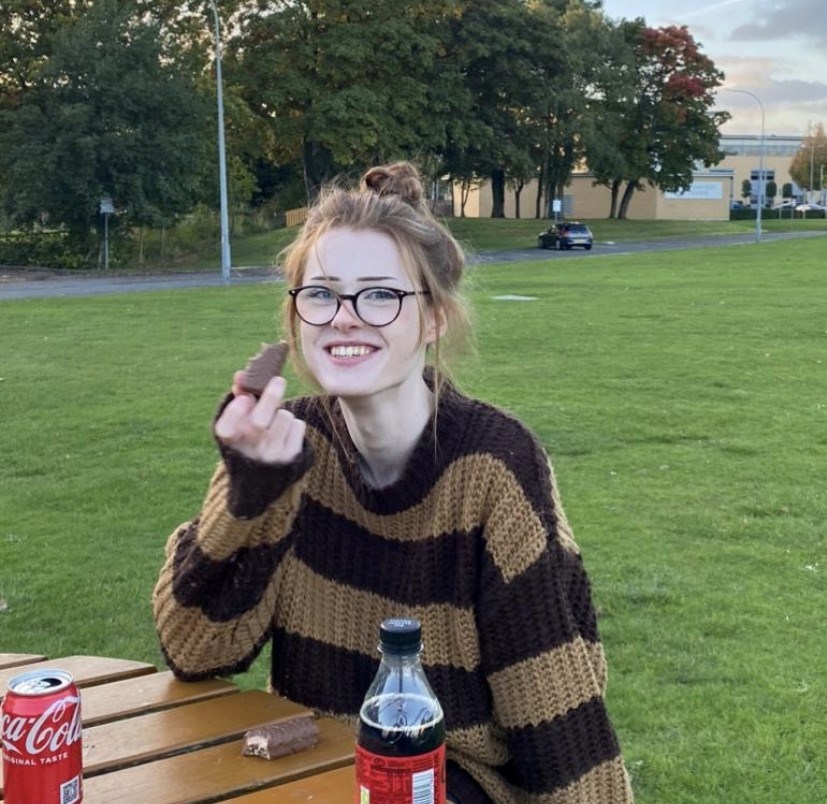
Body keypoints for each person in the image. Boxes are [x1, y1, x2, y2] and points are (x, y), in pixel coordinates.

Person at [153, 161, 634, 802]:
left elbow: (559, 719)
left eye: (380, 294)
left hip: (454, 780)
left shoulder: (493, 465)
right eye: (320, 294)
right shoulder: (284, 445)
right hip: (315, 777)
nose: (344, 317)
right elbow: (196, 650)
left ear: (432, 319)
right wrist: (248, 495)